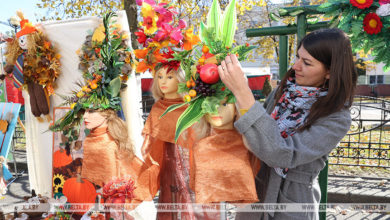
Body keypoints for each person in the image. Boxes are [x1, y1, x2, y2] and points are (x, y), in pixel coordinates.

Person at [218, 28, 357, 220]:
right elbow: (253, 131)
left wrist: (243, 92)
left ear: (330, 72)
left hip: (293, 201)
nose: (295, 66)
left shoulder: (336, 117)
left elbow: (281, 153)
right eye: (298, 57)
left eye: (306, 62)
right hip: (255, 191)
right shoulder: (283, 92)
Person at [141, 66, 196, 220]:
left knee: (190, 206)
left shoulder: (191, 107)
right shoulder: (158, 108)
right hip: (167, 166)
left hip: (190, 167)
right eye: (159, 77)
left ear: (181, 79)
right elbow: (150, 146)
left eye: (169, 77)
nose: (163, 82)